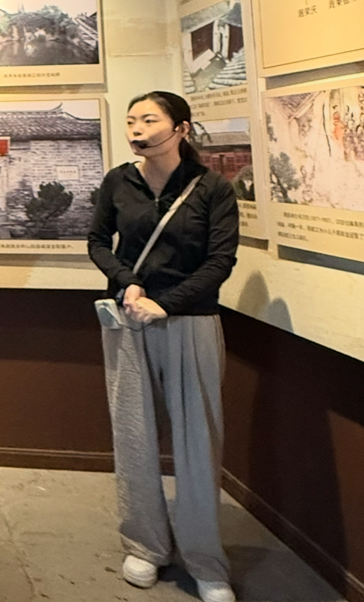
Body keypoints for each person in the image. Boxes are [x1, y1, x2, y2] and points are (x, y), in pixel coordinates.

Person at [88, 90, 239, 602]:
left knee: (199, 442)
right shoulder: (119, 181)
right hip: (129, 319)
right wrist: (127, 282)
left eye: (149, 119)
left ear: (181, 129)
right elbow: (97, 242)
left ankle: (205, 560)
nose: (137, 129)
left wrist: (167, 303)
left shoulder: (212, 188)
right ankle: (145, 544)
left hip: (191, 320)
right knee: (133, 434)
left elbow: (220, 261)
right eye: (131, 120)